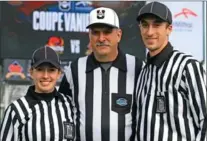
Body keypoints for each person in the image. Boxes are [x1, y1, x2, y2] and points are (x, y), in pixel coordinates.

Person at [59, 7, 144, 141]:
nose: (101, 38)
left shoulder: (138, 68)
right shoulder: (74, 70)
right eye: (95, 32)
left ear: (119, 35)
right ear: (89, 36)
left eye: (107, 32)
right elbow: (62, 113)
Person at [135, 1, 207, 141]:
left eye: (157, 25)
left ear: (169, 29)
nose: (150, 32)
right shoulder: (143, 72)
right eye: (145, 25)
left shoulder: (187, 66)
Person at [0, 46, 75, 141]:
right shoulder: (16, 109)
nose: (45, 76)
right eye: (40, 69)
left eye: (51, 70)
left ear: (59, 73)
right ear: (31, 72)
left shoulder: (71, 105)